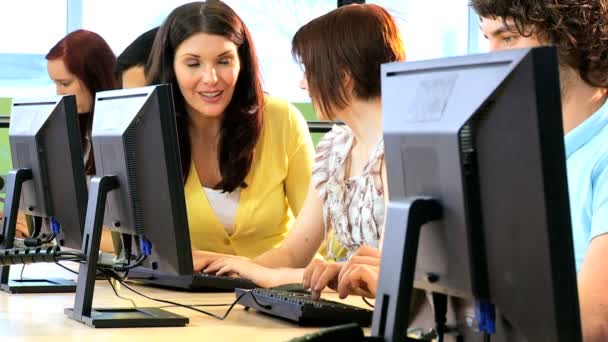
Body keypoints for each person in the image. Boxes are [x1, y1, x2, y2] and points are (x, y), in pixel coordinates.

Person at [200, 3, 406, 298]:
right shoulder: (337, 147)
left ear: (344, 76)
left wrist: (257, 272)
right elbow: (294, 252)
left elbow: (387, 278)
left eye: (310, 71)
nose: (303, 83)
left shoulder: (399, 151)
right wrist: (230, 268)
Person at [470, 1, 608, 340]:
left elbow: (592, 322)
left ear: (568, 37)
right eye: (487, 39)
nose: (492, 59)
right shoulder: (522, 144)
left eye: (508, 38)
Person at [145, 1, 314, 263]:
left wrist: (244, 269)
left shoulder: (282, 119)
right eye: (193, 64)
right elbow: (120, 237)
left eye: (224, 61)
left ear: (242, 63)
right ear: (172, 68)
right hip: (179, 298)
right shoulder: (148, 131)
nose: (211, 78)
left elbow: (316, 228)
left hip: (275, 291)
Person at [46, 29, 118, 252]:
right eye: (55, 84)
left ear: (94, 78)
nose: (59, 94)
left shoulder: (120, 137)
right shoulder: (76, 134)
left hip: (113, 259)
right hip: (83, 255)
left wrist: (53, 230)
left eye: (65, 83)